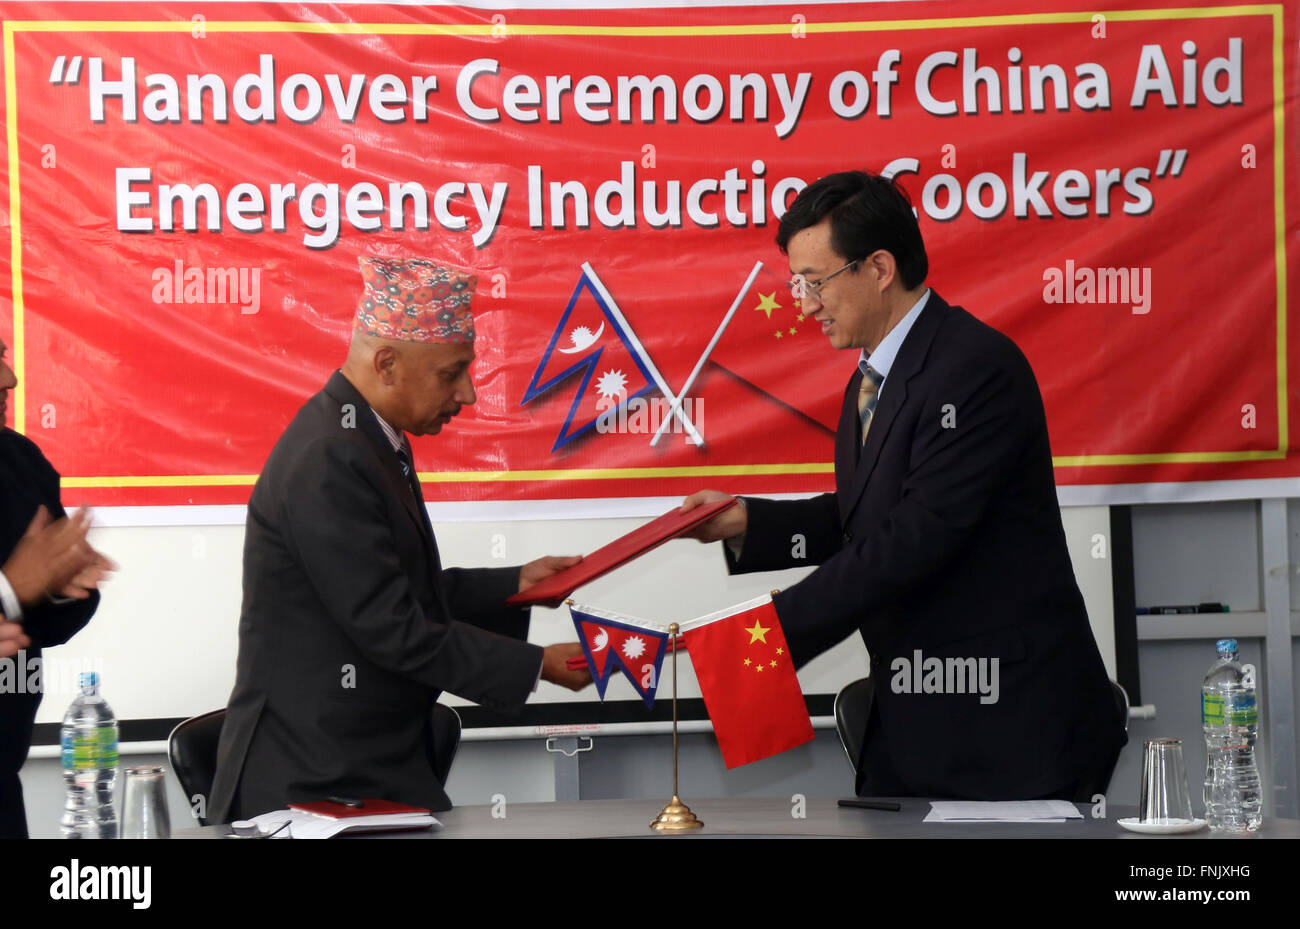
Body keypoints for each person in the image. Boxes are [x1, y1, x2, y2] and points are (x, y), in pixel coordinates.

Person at [682, 171, 1126, 801]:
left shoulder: (974, 369)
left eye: (815, 281)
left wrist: (761, 641)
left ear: (880, 267)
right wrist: (748, 524)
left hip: (1008, 725)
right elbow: (867, 520)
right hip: (918, 719)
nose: (803, 303)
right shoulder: (870, 380)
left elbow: (915, 537)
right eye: (795, 283)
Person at [211, 257, 592, 823]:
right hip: (314, 780)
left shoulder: (364, 435)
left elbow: (391, 590)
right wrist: (534, 665)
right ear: (386, 363)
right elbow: (391, 628)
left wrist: (514, 586)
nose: (467, 393)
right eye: (451, 372)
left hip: (364, 765)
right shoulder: (328, 456)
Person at [2, 339, 113, 838]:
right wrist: (10, 586)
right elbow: (15, 588)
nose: (10, 379)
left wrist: (63, 590)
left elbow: (45, 618)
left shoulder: (18, 461)